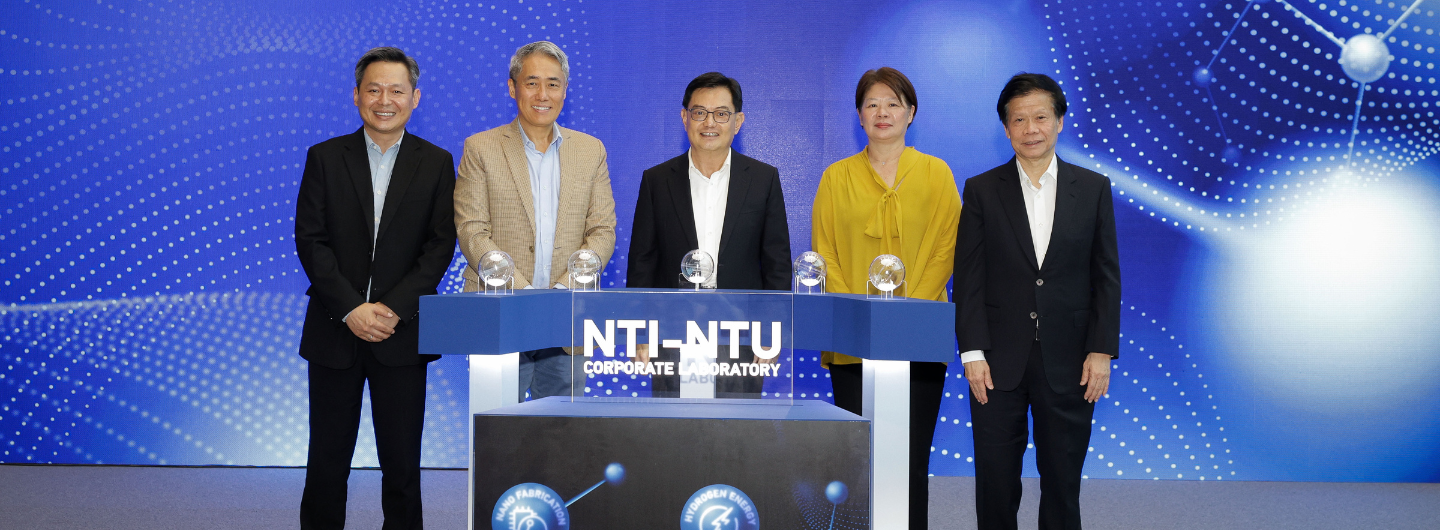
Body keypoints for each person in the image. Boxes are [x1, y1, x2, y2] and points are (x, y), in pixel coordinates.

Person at [294, 46, 457, 530]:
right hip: (334, 329)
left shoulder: (437, 162)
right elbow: (311, 240)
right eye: (374, 89)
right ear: (357, 95)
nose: (385, 100)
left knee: (403, 468)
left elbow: (439, 246)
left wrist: (392, 308)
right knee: (326, 464)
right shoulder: (324, 157)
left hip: (401, 334)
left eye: (397, 90)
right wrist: (351, 308)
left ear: (415, 97)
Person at [954, 72, 1120, 530]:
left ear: (1060, 122)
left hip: (1070, 359)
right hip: (996, 362)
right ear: (1006, 129)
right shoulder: (982, 190)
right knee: (995, 481)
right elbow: (968, 280)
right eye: (1019, 119)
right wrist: (972, 352)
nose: (1031, 129)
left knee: (1063, 481)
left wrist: (1101, 349)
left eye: (1041, 117)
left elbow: (1106, 277)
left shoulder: (1093, 188)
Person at [812, 67, 960, 529]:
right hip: (853, 343)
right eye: (872, 103)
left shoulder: (937, 173)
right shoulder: (836, 177)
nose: (883, 113)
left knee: (911, 461)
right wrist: (865, 319)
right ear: (858, 114)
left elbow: (946, 250)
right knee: (859, 460)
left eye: (893, 103)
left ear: (911, 113)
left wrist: (902, 319)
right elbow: (825, 254)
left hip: (919, 338)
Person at [455, 40, 617, 401]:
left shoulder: (592, 150)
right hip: (499, 313)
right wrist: (525, 297)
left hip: (567, 318)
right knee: (495, 434)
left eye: (553, 83)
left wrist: (560, 293)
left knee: (563, 438)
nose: (543, 94)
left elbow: (602, 231)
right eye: (532, 83)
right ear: (512, 87)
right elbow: (472, 231)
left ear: (565, 89)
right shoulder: (480, 148)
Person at [626, 72, 791, 398]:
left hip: (741, 333)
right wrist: (639, 330)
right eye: (699, 112)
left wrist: (772, 330)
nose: (709, 122)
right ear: (685, 117)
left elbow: (777, 264)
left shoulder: (763, 179)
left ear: (738, 121)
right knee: (673, 433)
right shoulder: (657, 181)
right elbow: (642, 262)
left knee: (737, 438)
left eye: (721, 114)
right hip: (671, 332)